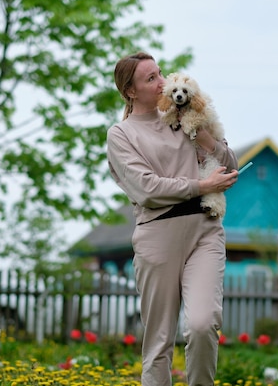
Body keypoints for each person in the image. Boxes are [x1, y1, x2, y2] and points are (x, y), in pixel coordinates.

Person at [106, 51, 239, 386]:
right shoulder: (121, 135)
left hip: (205, 231)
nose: (163, 82)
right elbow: (146, 188)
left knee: (202, 323)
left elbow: (229, 163)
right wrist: (201, 185)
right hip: (157, 235)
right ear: (131, 91)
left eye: (160, 73)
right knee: (159, 342)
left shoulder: (187, 115)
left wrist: (201, 134)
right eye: (151, 79)